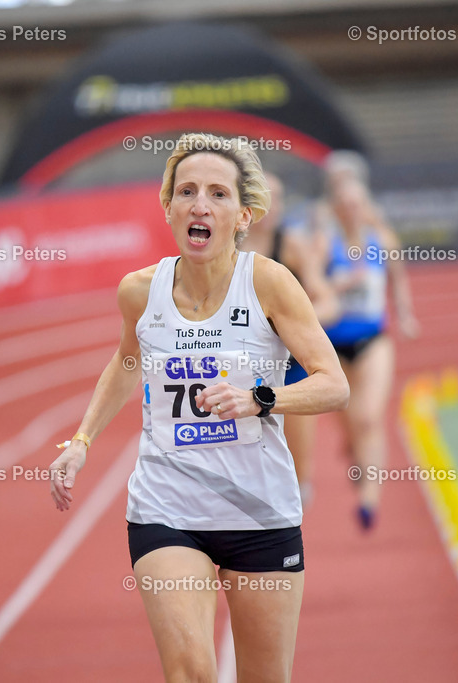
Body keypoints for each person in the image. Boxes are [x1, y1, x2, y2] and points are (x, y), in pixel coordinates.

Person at [48, 133, 349, 682]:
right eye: (186, 191)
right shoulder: (140, 291)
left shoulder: (269, 283)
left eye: (217, 193)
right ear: (168, 208)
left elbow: (334, 385)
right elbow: (126, 363)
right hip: (168, 507)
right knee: (189, 672)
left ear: (243, 214)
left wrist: (260, 399)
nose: (200, 204)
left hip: (259, 508)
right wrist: (81, 442)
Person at [312, 177, 419, 531]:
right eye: (346, 204)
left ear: (366, 206)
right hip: (335, 345)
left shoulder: (383, 240)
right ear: (336, 209)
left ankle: (369, 499)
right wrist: (338, 285)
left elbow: (398, 281)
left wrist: (404, 314)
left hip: (374, 340)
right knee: (350, 422)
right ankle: (355, 452)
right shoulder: (325, 243)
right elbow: (309, 287)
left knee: (369, 417)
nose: (353, 210)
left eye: (358, 204)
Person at [242, 171, 340, 507]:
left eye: (281, 197)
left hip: (291, 369)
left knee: (298, 472)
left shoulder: (291, 245)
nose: (276, 206)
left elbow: (328, 300)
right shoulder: (227, 247)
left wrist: (297, 323)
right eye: (268, 197)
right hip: (244, 369)